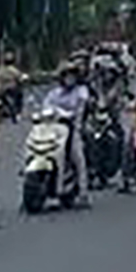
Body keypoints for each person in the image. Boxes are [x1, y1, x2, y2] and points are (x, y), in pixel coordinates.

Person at [41, 61, 92, 206]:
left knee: (77, 156)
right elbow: (46, 106)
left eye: (72, 76)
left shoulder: (81, 91)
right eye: (67, 76)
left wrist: (72, 116)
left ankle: (83, 193)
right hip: (53, 129)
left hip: (73, 128)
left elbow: (81, 107)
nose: (70, 78)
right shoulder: (54, 93)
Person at [0, 51, 23, 122]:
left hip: (0, 91)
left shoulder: (0, 70)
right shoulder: (13, 70)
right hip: (11, 90)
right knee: (19, 95)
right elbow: (19, 77)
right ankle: (17, 111)